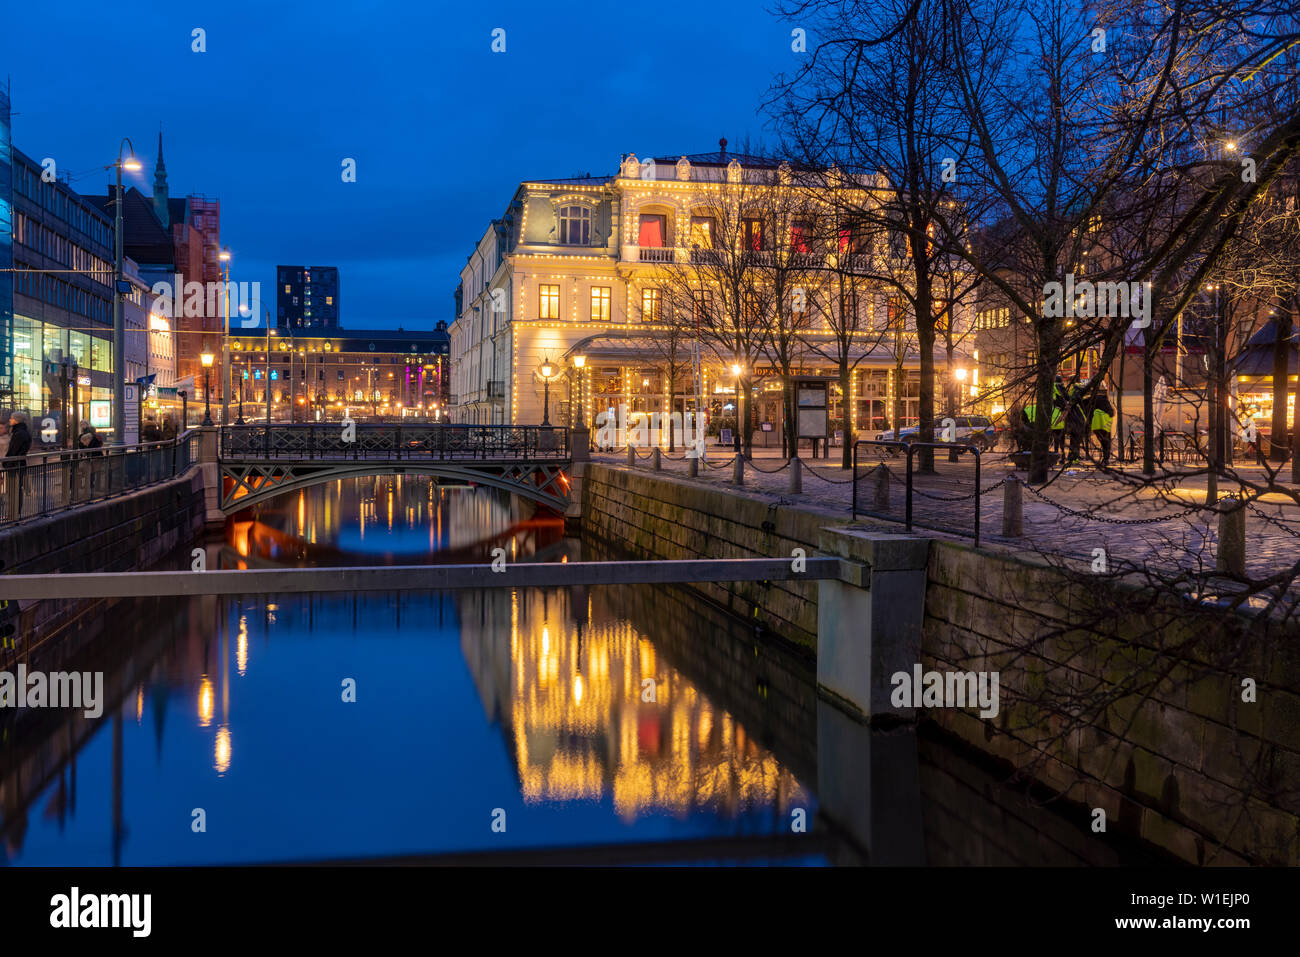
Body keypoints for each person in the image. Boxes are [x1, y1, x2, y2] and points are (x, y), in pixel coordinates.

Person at [4, 412, 31, 520]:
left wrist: (6, 463)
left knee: (13, 491)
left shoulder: (18, 433)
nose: (10, 420)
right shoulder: (24, 432)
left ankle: (13, 514)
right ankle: (15, 513)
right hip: (20, 464)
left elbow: (13, 451)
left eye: (12, 418)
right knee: (16, 490)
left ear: (17, 420)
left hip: (14, 466)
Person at [1090, 390, 1115, 466]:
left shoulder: (1095, 402)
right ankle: (1106, 458)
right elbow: (1111, 413)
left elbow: (1091, 413)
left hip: (1097, 426)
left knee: (1103, 441)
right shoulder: (1105, 401)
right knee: (1106, 442)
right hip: (1105, 425)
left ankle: (1105, 458)